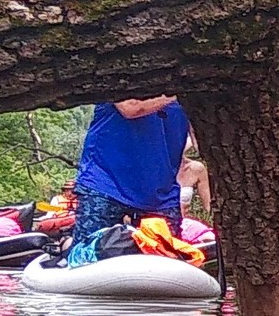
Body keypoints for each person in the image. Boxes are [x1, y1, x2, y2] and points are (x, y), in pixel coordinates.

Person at [67, 97, 190, 251]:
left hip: (160, 195)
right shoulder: (117, 75)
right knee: (88, 258)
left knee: (164, 265)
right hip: (105, 185)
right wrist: (180, 91)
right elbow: (131, 108)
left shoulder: (194, 87)